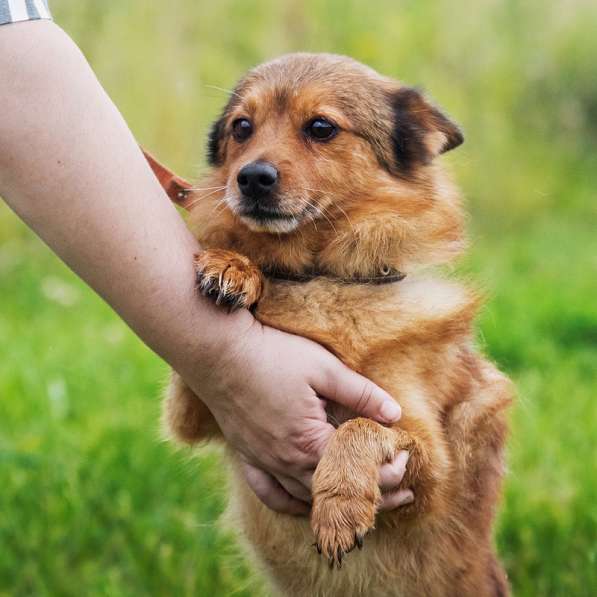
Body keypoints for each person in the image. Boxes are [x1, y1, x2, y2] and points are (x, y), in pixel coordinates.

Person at [0, 6, 413, 515]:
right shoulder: (223, 279)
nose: (258, 165)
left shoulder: (415, 307)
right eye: (243, 129)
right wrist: (224, 345)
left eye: (321, 129)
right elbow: (188, 423)